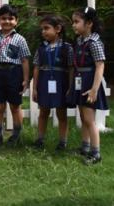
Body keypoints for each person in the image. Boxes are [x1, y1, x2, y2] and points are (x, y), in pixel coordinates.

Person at [0, 4, 31, 147]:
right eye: (3, 18)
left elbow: (24, 60)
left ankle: (16, 135)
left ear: (16, 21)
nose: (7, 21)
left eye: (10, 18)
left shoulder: (20, 39)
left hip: (14, 73)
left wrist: (25, 79)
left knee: (15, 106)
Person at [71, 7, 107, 165]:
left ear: (89, 24)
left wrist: (94, 89)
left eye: (77, 22)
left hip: (89, 82)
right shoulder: (79, 40)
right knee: (82, 116)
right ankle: (84, 148)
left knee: (89, 119)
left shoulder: (94, 42)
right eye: (73, 22)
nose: (73, 25)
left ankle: (96, 153)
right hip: (80, 79)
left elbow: (100, 65)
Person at [32, 15, 74, 151]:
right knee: (43, 112)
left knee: (61, 113)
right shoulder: (41, 48)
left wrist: (70, 87)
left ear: (58, 29)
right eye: (42, 29)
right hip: (44, 83)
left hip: (61, 84)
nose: (43, 32)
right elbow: (37, 67)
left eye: (46, 28)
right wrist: (34, 88)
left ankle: (63, 142)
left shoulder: (67, 48)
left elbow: (71, 68)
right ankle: (40, 139)